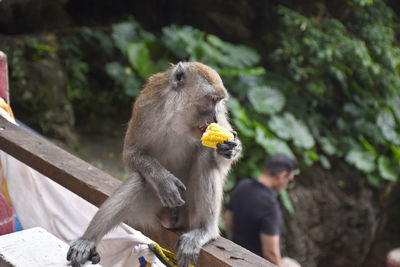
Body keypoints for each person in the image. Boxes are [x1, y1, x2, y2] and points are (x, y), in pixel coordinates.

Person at [225, 153, 298, 266]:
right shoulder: (270, 206)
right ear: (282, 175)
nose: (287, 185)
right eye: (290, 181)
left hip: (235, 254)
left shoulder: (242, 186)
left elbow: (228, 222)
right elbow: (271, 253)